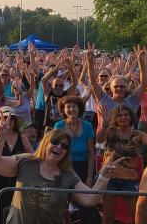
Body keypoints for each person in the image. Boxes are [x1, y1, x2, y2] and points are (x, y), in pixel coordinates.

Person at [0, 127, 123, 224]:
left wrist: (104, 176)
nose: (59, 147)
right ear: (45, 143)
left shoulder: (68, 174)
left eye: (64, 146)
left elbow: (90, 199)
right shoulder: (26, 161)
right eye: (55, 142)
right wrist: (1, 136)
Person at [96, 104, 147, 224]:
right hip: (109, 177)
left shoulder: (138, 134)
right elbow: (99, 139)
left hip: (129, 179)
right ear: (115, 118)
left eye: (126, 115)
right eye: (120, 115)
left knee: (136, 216)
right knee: (108, 217)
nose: (123, 117)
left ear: (131, 117)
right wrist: (104, 124)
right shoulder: (110, 131)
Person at [53, 95, 96, 223]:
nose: (71, 109)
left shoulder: (87, 126)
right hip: (64, 168)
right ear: (64, 110)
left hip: (83, 167)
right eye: (68, 107)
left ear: (79, 108)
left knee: (86, 207)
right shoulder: (59, 126)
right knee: (63, 205)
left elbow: (91, 153)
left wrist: (89, 178)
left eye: (74, 106)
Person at [0, 106, 30, 215]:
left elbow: (32, 156)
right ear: (0, 121)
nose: (8, 120)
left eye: (11, 118)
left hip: (17, 182)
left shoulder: (21, 136)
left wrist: (16, 163)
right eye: (4, 117)